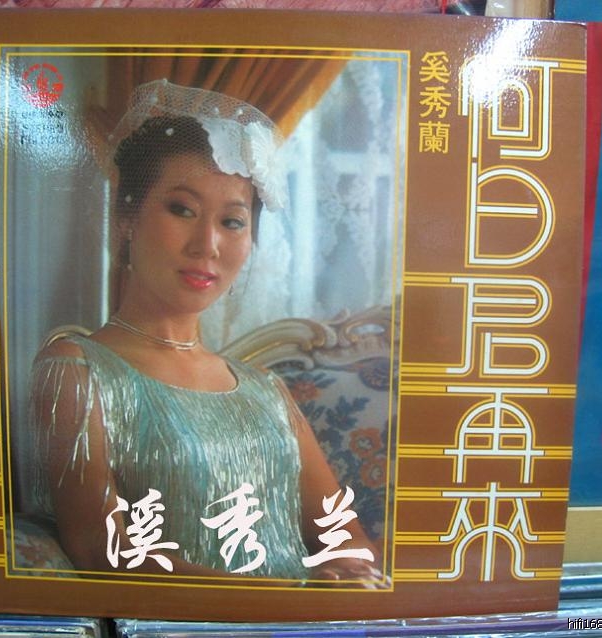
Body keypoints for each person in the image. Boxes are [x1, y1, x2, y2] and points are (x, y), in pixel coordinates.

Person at [28, 79, 386, 587]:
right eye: (182, 209)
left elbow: (346, 539)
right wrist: (283, 598)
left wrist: (348, 576)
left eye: (233, 222)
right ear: (127, 216)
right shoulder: (75, 371)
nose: (208, 244)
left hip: (298, 618)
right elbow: (103, 551)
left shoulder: (267, 392)